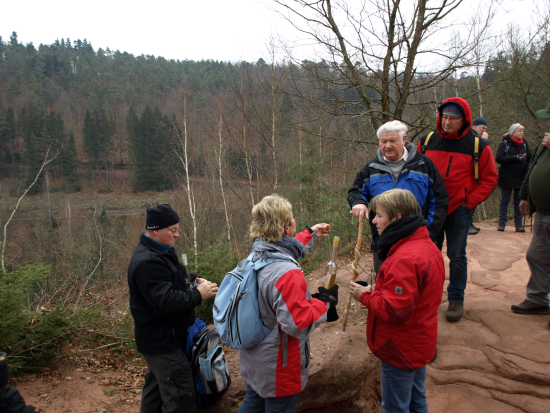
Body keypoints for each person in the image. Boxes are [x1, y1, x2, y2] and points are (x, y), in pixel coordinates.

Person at [237, 194, 337, 413]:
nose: (294, 221)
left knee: (253, 403)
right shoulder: (288, 274)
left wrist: (310, 234)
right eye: (291, 218)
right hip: (279, 366)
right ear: (285, 227)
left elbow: (283, 252)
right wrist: (325, 303)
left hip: (255, 357)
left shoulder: (255, 255)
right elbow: (297, 325)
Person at [349, 189, 445, 413]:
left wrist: (364, 296)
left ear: (397, 218)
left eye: (379, 215)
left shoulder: (404, 257)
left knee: (394, 406)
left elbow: (395, 310)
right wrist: (379, 289)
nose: (374, 221)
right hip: (420, 339)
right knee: (416, 398)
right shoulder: (426, 245)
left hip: (400, 346)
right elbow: (415, 293)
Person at [128, 204, 218, 413]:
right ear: (155, 230)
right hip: (163, 343)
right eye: (173, 230)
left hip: (162, 340)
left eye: (178, 229)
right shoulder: (147, 262)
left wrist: (193, 279)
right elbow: (165, 301)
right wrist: (198, 294)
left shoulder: (161, 251)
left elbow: (172, 279)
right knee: (180, 396)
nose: (177, 235)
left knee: (156, 393)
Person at [417, 98, 498, 321]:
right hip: (431, 210)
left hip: (458, 211)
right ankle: (426, 297)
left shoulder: (477, 145)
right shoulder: (427, 141)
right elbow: (414, 172)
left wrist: (469, 202)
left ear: (464, 120)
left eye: (453, 118)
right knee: (428, 256)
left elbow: (490, 178)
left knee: (456, 256)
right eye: (445, 117)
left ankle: (455, 299)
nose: (447, 122)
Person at [348, 120, 448, 275]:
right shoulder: (371, 168)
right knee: (385, 286)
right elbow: (355, 191)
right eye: (383, 141)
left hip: (417, 240)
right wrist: (359, 202)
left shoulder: (423, 164)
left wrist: (430, 232)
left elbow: (439, 201)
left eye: (392, 140)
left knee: (417, 285)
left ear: (403, 139)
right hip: (383, 242)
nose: (387, 145)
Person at [511, 102, 550, 325]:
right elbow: (533, 166)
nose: (548, 122)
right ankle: (537, 299)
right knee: (537, 255)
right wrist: (525, 196)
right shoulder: (546, 141)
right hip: (543, 211)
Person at [495, 123, 532, 232]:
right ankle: (501, 223)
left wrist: (528, 166)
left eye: (522, 131)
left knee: (518, 201)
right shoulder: (505, 143)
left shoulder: (524, 143)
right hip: (506, 176)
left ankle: (519, 224)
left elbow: (529, 156)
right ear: (512, 132)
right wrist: (515, 157)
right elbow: (499, 158)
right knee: (505, 200)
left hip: (520, 176)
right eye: (519, 131)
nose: (521, 133)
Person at [468, 118, 491, 235]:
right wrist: (484, 141)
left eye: (485, 129)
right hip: (470, 175)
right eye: (482, 128)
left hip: (477, 174)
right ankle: (467, 224)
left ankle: (469, 222)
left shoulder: (478, 138)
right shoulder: (471, 137)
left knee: (475, 200)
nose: (484, 130)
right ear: (475, 126)